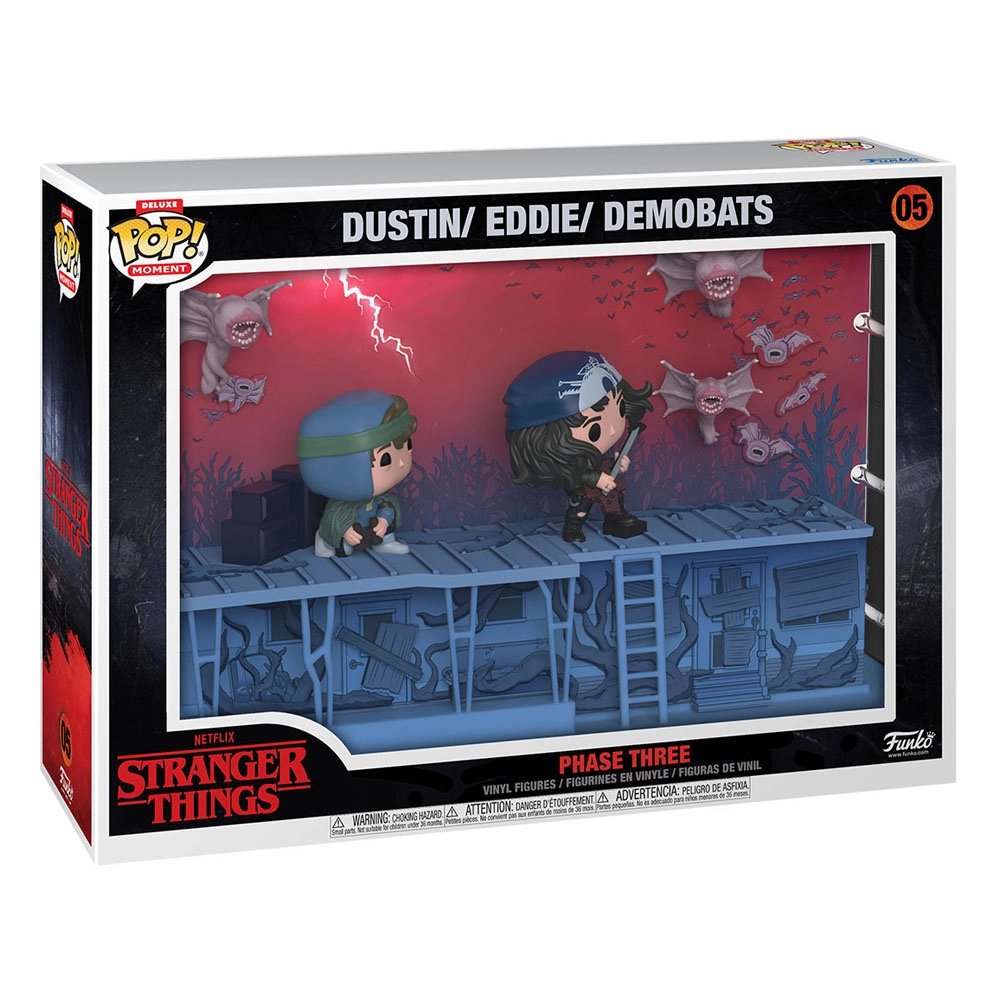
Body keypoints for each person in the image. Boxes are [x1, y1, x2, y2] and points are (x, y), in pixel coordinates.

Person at [504, 351, 652, 542]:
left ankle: (616, 517)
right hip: (582, 485)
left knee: (615, 496)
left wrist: (616, 464)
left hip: (602, 476)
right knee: (581, 505)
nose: (613, 429)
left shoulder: (596, 453)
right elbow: (575, 473)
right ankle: (573, 526)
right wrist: (596, 479)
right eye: (594, 430)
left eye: (621, 409)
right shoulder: (568, 460)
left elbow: (600, 461)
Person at [296, 390, 416, 557]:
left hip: (372, 529)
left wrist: (383, 521)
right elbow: (335, 519)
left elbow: (388, 509)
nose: (402, 463)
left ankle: (385, 542)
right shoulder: (340, 506)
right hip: (354, 531)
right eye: (385, 459)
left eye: (407, 445)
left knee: (386, 517)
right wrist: (345, 530)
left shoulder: (381, 499)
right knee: (344, 550)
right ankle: (324, 539)